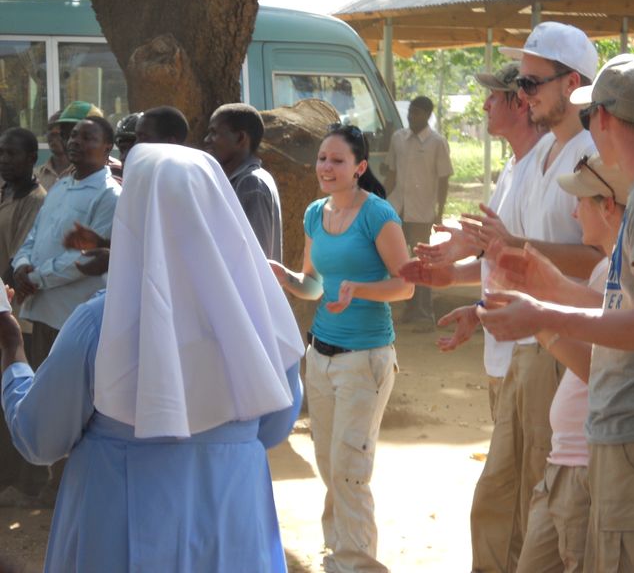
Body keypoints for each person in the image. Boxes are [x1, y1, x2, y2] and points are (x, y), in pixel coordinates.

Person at [1, 143, 306, 572]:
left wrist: (12, 346)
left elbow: (39, 437)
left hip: (120, 530)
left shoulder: (99, 325)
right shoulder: (263, 316)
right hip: (233, 527)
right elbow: (273, 425)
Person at [479, 54, 634, 573]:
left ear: (604, 118)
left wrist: (544, 314)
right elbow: (629, 309)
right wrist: (550, 290)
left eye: (590, 116)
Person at [444, 22, 601, 573]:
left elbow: (599, 259)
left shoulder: (590, 156)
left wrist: (512, 247)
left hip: (561, 346)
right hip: (530, 344)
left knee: (538, 496)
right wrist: (481, 299)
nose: (523, 94)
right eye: (523, 84)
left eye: (532, 83)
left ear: (572, 84)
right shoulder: (542, 156)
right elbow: (518, 255)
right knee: (500, 496)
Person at [270, 123, 413, 573]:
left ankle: (356, 565)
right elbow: (314, 284)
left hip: (365, 360)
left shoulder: (378, 215)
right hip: (319, 356)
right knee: (330, 466)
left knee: (350, 470)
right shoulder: (315, 213)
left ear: (360, 167)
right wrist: (286, 278)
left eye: (337, 160)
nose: (326, 167)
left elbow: (407, 285)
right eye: (322, 159)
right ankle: (339, 557)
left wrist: (360, 289)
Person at [488, 154, 628, 572]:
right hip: (565, 460)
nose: (573, 212)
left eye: (581, 201)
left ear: (607, 206)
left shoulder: (617, 274)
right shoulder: (607, 272)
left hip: (584, 463)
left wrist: (539, 321)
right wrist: (529, 303)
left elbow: (597, 370)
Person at [402, 61, 547, 422]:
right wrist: (456, 279)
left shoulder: (542, 167)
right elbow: (505, 262)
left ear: (520, 103)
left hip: (530, 353)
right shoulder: (514, 166)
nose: (485, 106)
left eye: (493, 97)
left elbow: (540, 266)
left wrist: (477, 247)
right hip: (505, 356)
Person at [11, 116, 121, 369]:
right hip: (42, 314)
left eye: (87, 138)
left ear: (107, 148)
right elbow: (34, 234)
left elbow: (87, 258)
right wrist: (22, 265)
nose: (76, 142)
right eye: (73, 136)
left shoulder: (110, 195)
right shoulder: (60, 187)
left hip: (74, 320)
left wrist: (35, 278)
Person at [61, 105, 191, 278]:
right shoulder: (141, 189)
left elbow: (175, 259)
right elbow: (141, 245)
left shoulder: (184, 189)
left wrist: (113, 259)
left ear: (170, 143)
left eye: (142, 139)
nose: (130, 153)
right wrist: (102, 243)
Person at [0, 127, 48, 506]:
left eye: (12, 154)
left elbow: (17, 259)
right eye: (1, 153)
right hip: (4, 309)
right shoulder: (6, 194)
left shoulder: (36, 201)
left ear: (32, 158)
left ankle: (30, 482)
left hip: (19, 314)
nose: (4, 160)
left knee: (23, 396)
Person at [385, 95, 453, 331]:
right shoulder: (398, 138)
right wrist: (382, 203)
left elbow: (443, 180)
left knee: (422, 262)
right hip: (397, 209)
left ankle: (424, 312)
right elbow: (391, 173)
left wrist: (439, 212)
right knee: (399, 261)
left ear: (427, 115)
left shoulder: (437, 143)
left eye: (416, 113)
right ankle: (408, 306)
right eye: (410, 112)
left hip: (422, 212)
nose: (411, 116)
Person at [205, 103, 283, 261]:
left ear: (240, 138)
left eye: (214, 133)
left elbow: (255, 259)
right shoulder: (242, 180)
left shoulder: (251, 184)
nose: (207, 140)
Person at [34, 111, 71, 191]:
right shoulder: (35, 176)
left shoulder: (84, 175)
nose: (53, 132)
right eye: (50, 128)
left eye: (60, 128)